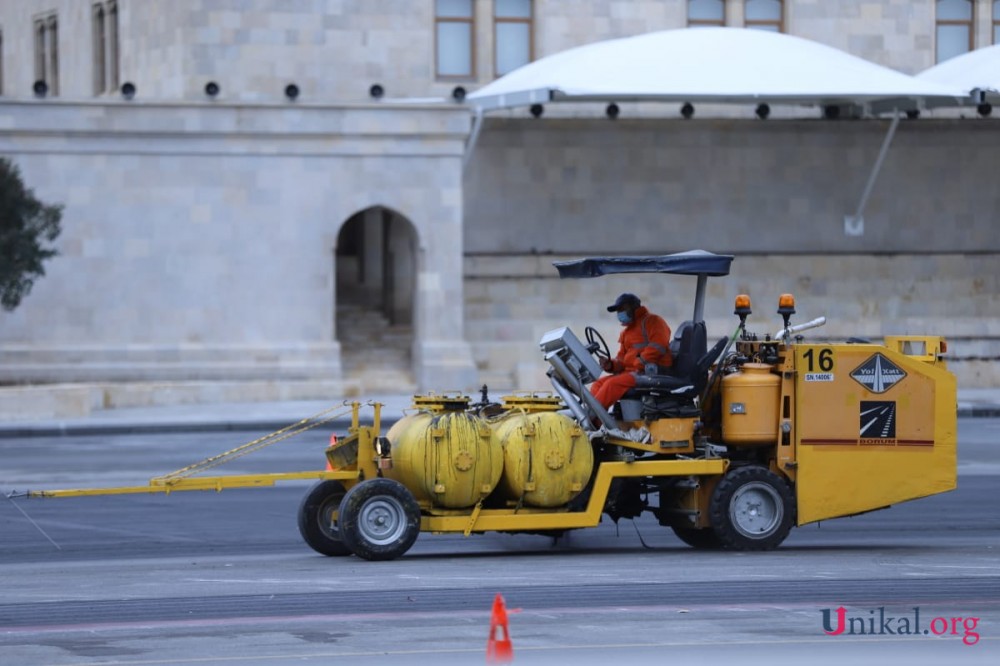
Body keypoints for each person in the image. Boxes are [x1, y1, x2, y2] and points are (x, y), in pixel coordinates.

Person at [590, 293, 672, 410]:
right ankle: (597, 422)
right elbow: (622, 359)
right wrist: (611, 365)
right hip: (631, 373)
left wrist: (641, 361)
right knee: (597, 384)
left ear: (634, 307)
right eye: (618, 311)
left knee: (611, 384)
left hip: (650, 373)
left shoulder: (653, 321)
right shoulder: (626, 332)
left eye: (623, 309)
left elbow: (658, 345)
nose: (620, 313)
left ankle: (591, 416)